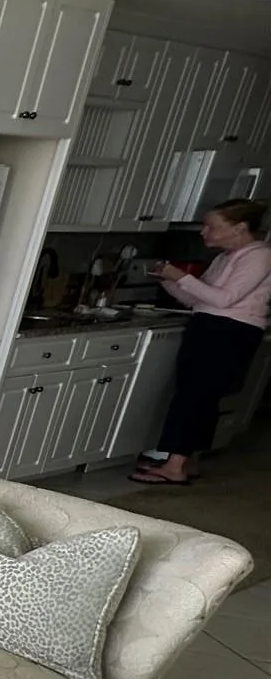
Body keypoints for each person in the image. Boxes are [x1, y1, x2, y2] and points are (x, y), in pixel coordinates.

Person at [133, 198, 271, 484]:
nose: (203, 231)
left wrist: (181, 276)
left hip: (230, 331)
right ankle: (188, 462)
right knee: (201, 397)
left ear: (239, 228)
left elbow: (225, 299)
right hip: (211, 326)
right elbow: (197, 298)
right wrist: (168, 280)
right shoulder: (224, 257)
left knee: (194, 396)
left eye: (210, 226)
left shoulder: (258, 255)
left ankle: (174, 467)